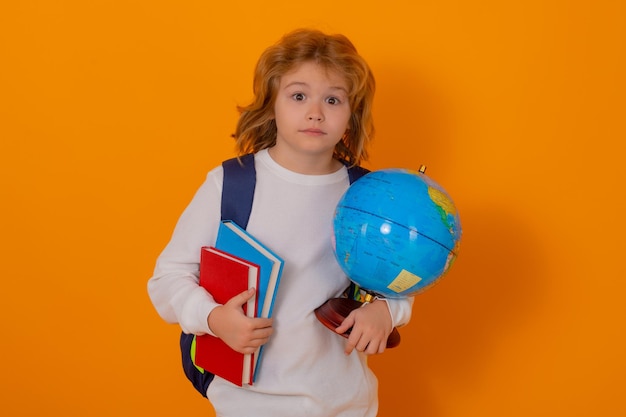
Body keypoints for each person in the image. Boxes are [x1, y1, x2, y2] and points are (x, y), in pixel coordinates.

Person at [147, 28, 414, 417]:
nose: (315, 112)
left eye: (333, 99)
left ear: (351, 115)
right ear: (272, 103)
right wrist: (213, 318)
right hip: (247, 404)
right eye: (299, 95)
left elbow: (405, 277)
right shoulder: (232, 184)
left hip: (345, 403)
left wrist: (388, 312)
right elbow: (166, 278)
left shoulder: (369, 196)